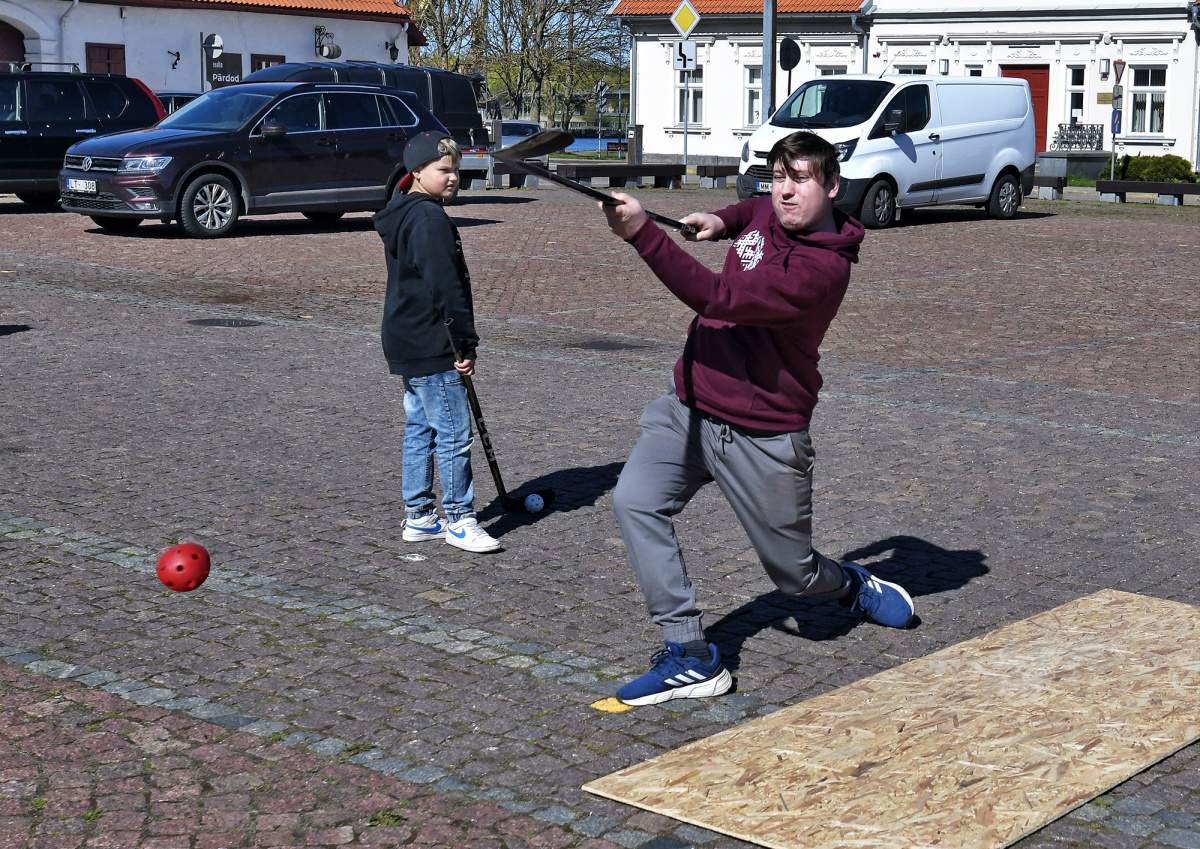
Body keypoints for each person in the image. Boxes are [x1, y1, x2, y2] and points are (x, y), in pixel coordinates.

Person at [600, 131, 915, 707]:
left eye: (801, 179)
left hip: (763, 432)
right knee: (635, 502)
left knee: (794, 575)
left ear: (832, 186)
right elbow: (752, 212)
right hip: (689, 406)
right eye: (778, 177)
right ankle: (689, 653)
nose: (785, 191)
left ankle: (851, 584)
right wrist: (721, 221)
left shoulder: (821, 270)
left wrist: (644, 235)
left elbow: (720, 299)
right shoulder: (774, 211)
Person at [372, 131, 501, 554]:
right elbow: (446, 287)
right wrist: (465, 343)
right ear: (416, 172)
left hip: (406, 336)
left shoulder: (404, 211)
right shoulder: (428, 219)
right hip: (432, 339)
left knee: (421, 429)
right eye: (443, 170)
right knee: (453, 433)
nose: (453, 178)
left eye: (456, 171)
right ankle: (460, 519)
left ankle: (420, 516)